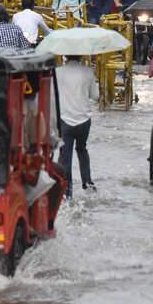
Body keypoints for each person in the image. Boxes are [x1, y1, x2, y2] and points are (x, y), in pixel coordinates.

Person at [55, 56, 99, 198]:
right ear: (81, 56)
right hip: (84, 120)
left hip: (65, 120)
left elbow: (52, 95)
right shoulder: (87, 71)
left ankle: (67, 191)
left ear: (65, 56)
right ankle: (87, 183)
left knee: (65, 156)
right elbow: (95, 96)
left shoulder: (58, 72)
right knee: (82, 149)